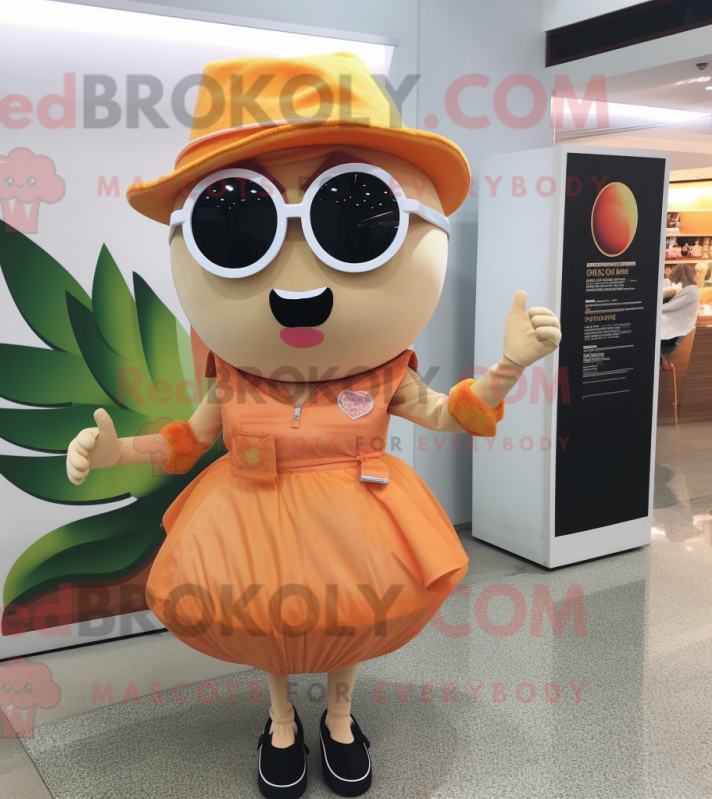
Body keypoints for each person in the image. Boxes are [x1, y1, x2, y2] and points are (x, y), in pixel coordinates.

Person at [65, 53, 562, 799]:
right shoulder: (232, 377)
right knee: (267, 622)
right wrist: (116, 453)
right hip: (250, 516)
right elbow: (186, 441)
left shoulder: (383, 374)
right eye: (239, 230)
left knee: (349, 617)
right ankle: (279, 721)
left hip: (358, 516)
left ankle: (339, 716)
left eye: (347, 222)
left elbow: (444, 412)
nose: (299, 286)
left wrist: (507, 369)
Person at [661, 262, 700, 370]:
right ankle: (662, 360)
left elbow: (668, 307)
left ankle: (661, 359)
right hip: (675, 336)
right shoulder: (690, 290)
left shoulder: (690, 291)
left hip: (672, 340)